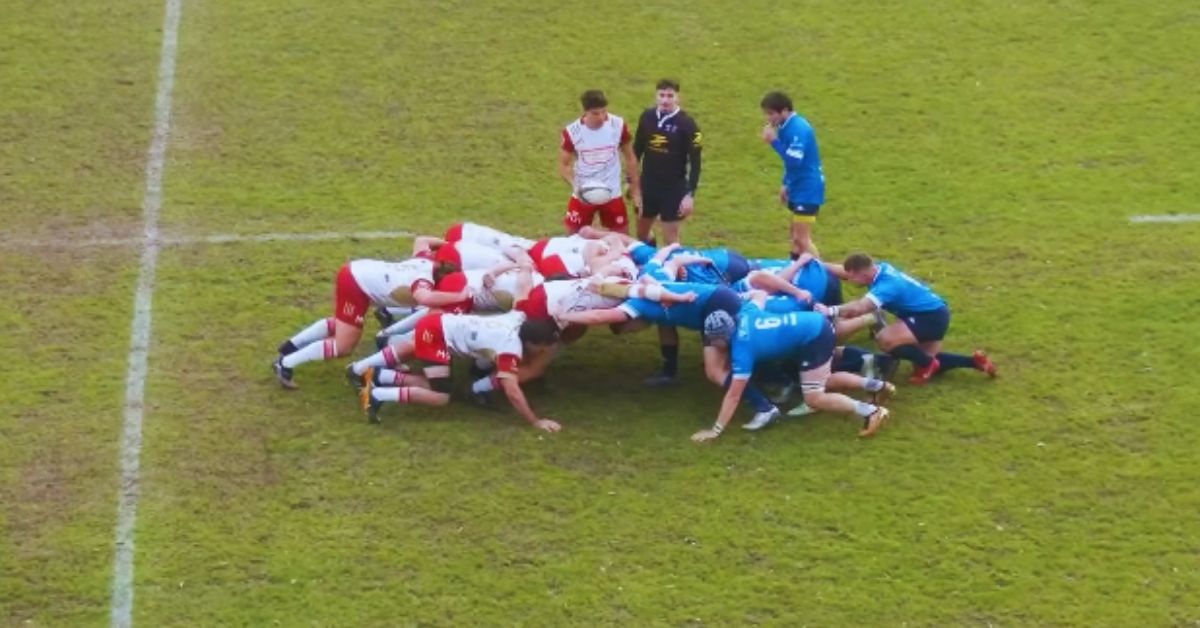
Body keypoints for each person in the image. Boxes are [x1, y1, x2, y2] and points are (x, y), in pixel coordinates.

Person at [556, 284, 782, 427]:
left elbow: (599, 317)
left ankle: (765, 407)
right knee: (735, 348)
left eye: (629, 329)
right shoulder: (648, 287)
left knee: (715, 370)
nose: (635, 332)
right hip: (719, 297)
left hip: (714, 307)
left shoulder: (637, 307)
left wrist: (563, 315)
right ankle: (670, 372)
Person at [691, 291, 892, 441]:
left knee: (814, 397)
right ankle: (878, 386)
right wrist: (741, 294)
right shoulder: (745, 313)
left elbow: (734, 395)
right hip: (814, 326)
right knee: (824, 380)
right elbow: (759, 294)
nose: (712, 345)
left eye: (713, 341)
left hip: (814, 336)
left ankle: (872, 412)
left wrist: (715, 431)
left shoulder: (742, 350)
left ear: (723, 337)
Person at [271, 252, 472, 389]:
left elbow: (422, 241)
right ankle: (286, 363)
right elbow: (425, 298)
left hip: (358, 273)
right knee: (344, 346)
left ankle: (290, 346)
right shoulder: (424, 279)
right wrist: (459, 296)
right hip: (356, 284)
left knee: (343, 324)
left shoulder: (427, 261)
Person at [360, 310, 563, 432]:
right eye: (543, 348)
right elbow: (512, 392)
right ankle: (377, 394)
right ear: (532, 343)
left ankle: (380, 375)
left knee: (434, 384)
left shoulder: (518, 318)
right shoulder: (510, 349)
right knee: (440, 397)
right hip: (435, 334)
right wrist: (535, 421)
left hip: (440, 323)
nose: (543, 352)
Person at [820, 253, 997, 385]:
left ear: (863, 274)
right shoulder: (878, 269)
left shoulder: (887, 286)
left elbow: (859, 308)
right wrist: (817, 264)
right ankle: (974, 362)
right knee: (921, 358)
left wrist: (829, 310)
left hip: (928, 318)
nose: (849, 280)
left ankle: (928, 364)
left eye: (852, 277)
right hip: (934, 313)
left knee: (885, 340)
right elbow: (844, 272)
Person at [558, 89, 641, 234]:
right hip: (584, 192)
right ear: (585, 112)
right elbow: (563, 165)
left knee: (621, 237)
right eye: (596, 113)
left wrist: (635, 190)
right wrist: (576, 186)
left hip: (612, 192)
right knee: (572, 237)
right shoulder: (572, 132)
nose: (601, 117)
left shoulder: (617, 125)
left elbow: (630, 157)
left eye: (604, 112)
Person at [632, 79, 702, 245]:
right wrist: (632, 183)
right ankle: (650, 263)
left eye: (670, 96)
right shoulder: (647, 117)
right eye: (661, 95)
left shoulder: (687, 124)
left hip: (673, 188)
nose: (665, 100)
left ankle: (672, 269)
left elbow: (695, 162)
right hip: (648, 185)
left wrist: (690, 194)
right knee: (641, 235)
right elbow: (636, 151)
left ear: (678, 98)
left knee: (671, 240)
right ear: (656, 96)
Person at [760, 91, 825, 259]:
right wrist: (785, 182)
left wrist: (773, 141)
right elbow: (790, 163)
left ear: (784, 111)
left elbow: (795, 160)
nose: (768, 118)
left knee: (801, 239)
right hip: (797, 184)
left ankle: (823, 277)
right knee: (795, 239)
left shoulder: (798, 128)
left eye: (771, 114)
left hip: (808, 188)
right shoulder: (786, 126)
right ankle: (795, 271)